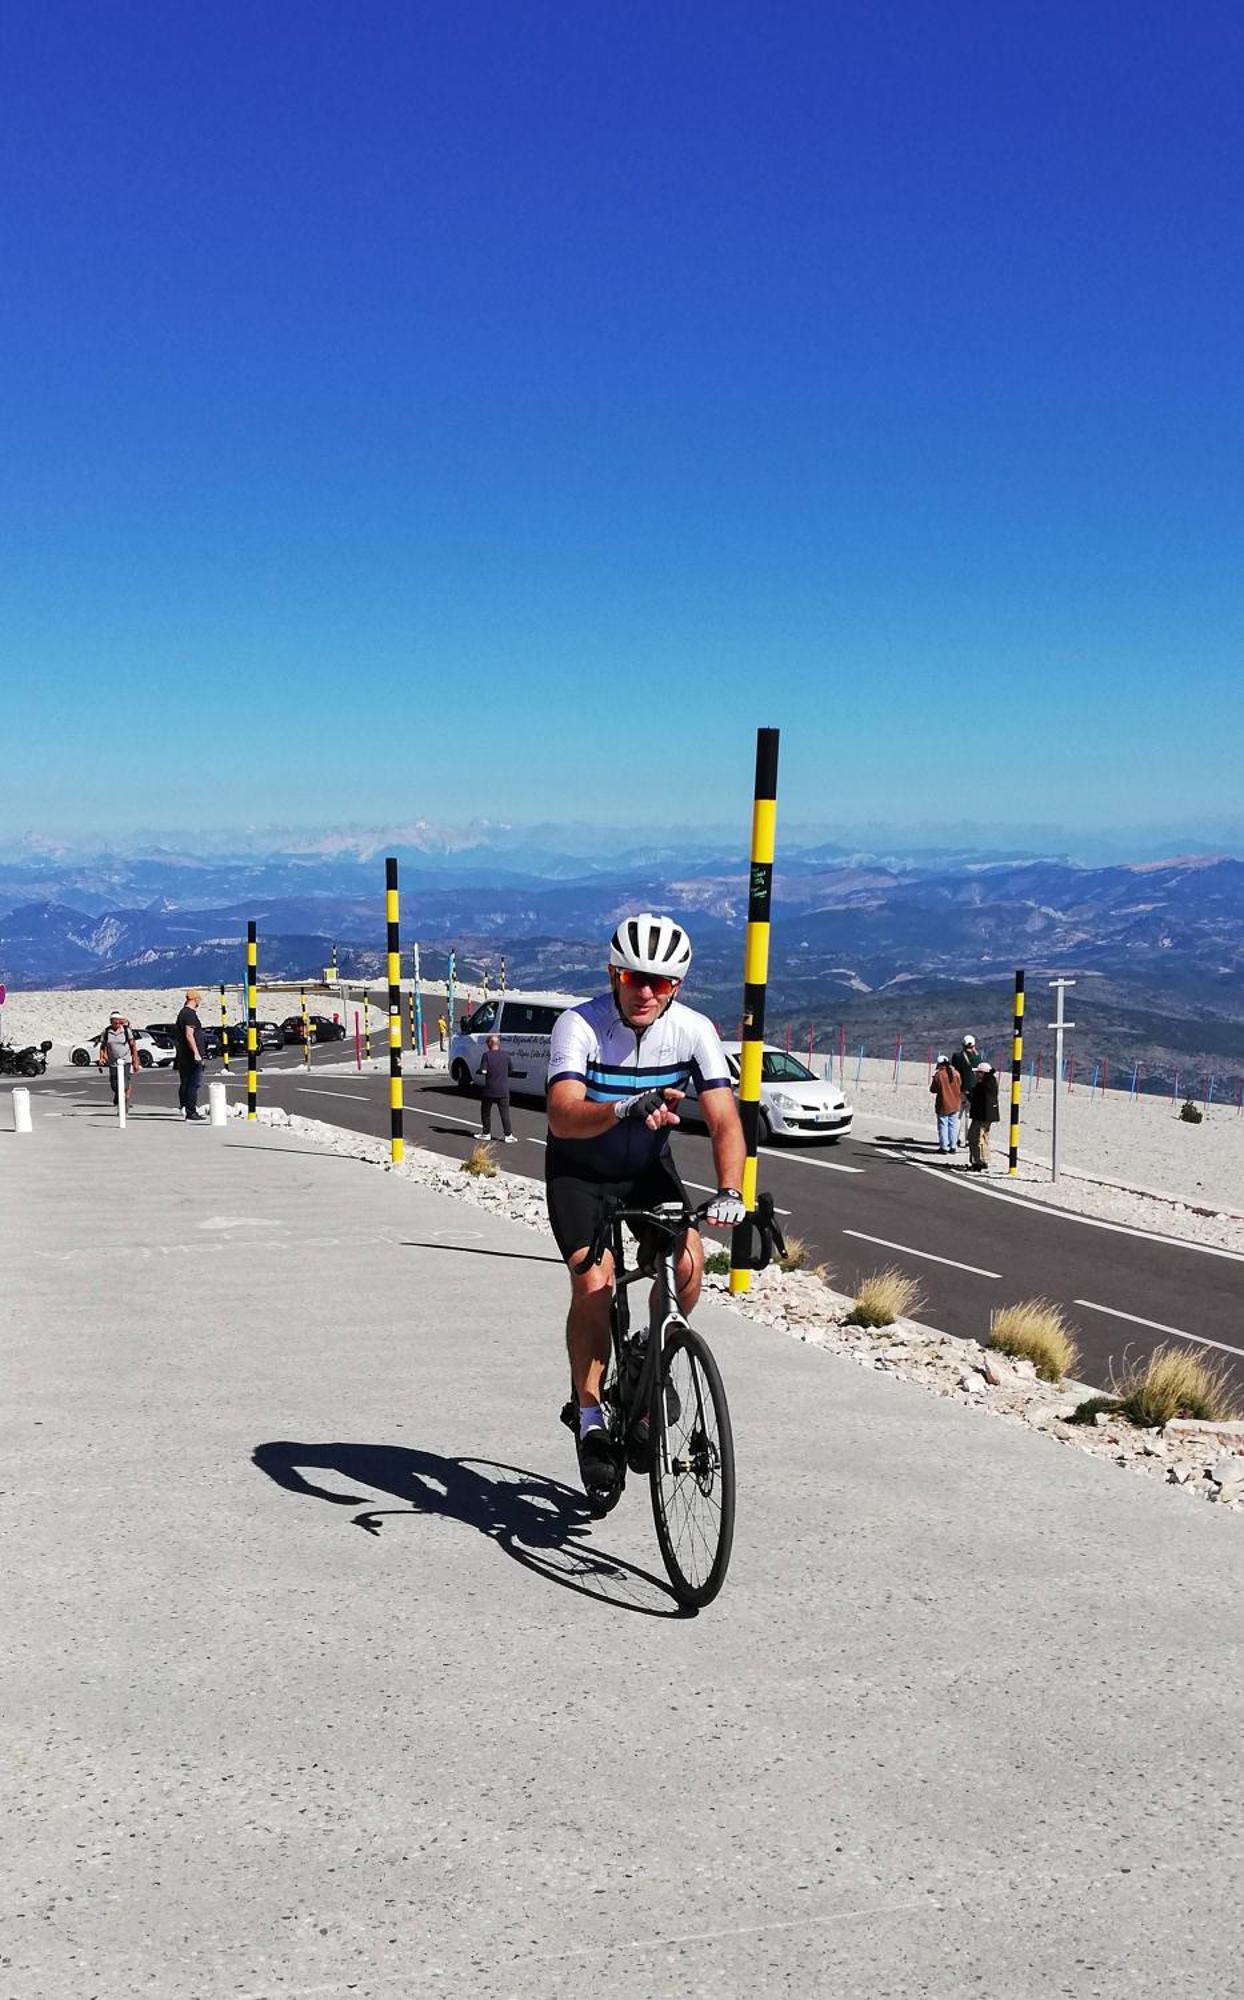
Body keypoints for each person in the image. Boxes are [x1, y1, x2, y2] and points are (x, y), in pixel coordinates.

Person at [545, 913, 746, 1502]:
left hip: (646, 1173)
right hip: (579, 1173)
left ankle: (648, 1361)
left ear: (677, 986)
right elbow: (560, 1113)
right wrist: (624, 1109)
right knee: (595, 1284)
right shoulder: (578, 1025)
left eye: (662, 982)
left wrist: (731, 1192)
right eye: (635, 977)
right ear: (614, 973)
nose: (647, 991)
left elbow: (725, 1119)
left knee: (687, 1267)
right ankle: (588, 1417)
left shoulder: (693, 1030)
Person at [174, 988, 207, 1121]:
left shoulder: (182, 1013)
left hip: (184, 1055)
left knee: (186, 1082)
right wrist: (196, 1053)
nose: (200, 1001)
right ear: (195, 999)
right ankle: (191, 1110)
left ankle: (185, 1107)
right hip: (190, 1056)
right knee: (193, 1083)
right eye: (199, 999)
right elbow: (189, 1035)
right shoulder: (189, 1015)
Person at [476, 1033, 516, 1143]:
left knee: (486, 1111)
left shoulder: (486, 1055)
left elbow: (483, 1070)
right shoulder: (506, 1055)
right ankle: (508, 1135)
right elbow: (511, 1070)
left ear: (489, 1044)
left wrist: (481, 1071)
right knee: (504, 1112)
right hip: (503, 1089)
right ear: (498, 1044)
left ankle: (486, 1133)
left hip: (490, 1089)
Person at [97, 1011, 139, 1109]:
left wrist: (135, 1060)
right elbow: (103, 1046)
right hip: (113, 1062)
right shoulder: (107, 1032)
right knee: (114, 1084)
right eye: (115, 1022)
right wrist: (102, 1058)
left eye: (119, 1022)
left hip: (125, 1061)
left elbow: (133, 1046)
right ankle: (118, 1096)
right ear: (111, 1022)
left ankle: (124, 1103)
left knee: (125, 1084)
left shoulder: (126, 1030)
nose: (117, 1024)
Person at [967, 1061, 1000, 1172]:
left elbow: (976, 1099)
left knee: (975, 1137)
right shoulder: (992, 1081)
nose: (976, 1075)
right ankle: (984, 1159)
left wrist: (968, 1094)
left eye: (978, 1073)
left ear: (983, 1073)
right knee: (984, 1137)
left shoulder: (983, 1085)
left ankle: (978, 1162)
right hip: (988, 1115)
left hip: (981, 1116)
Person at [951, 1034, 980, 1148]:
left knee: (957, 1116)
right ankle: (968, 1140)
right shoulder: (977, 1058)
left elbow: (954, 1070)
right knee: (969, 1116)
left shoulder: (957, 1056)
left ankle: (955, 1138)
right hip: (972, 1091)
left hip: (959, 1089)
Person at [929, 1054, 962, 1154]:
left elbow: (933, 1089)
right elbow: (960, 1084)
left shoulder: (939, 1075)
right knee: (953, 1125)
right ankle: (953, 1146)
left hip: (943, 1103)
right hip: (955, 1103)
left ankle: (944, 1146)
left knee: (943, 1125)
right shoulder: (956, 1073)